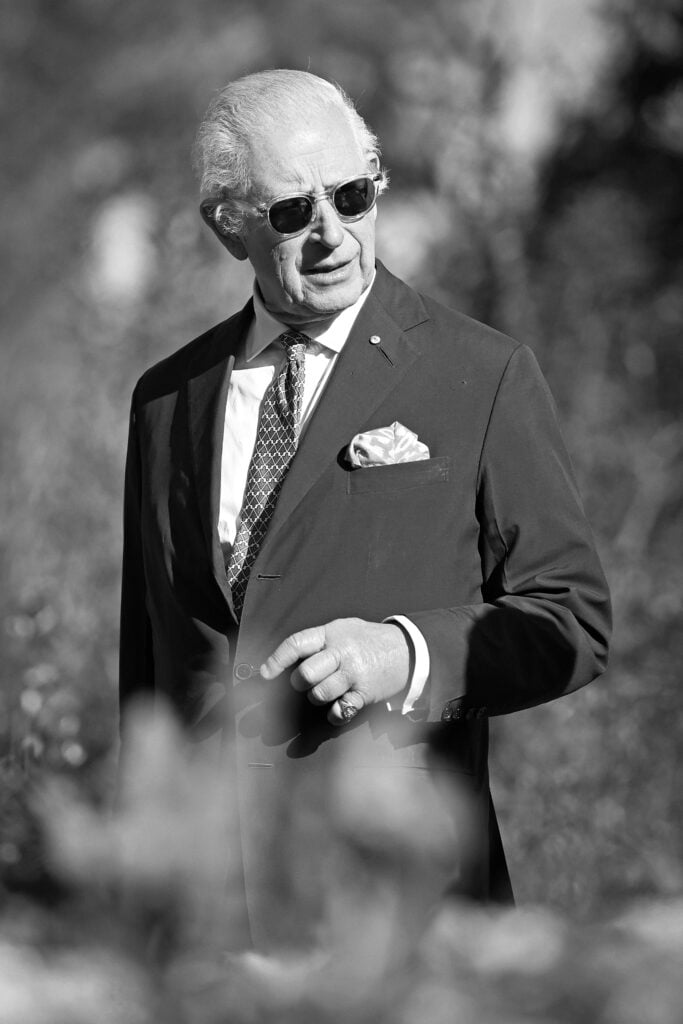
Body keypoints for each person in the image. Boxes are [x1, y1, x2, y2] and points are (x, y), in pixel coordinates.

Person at [119, 69, 611, 949]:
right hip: (208, 917)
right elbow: (150, 670)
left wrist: (404, 653)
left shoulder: (481, 374)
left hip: (395, 903)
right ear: (226, 225)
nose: (333, 235)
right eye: (291, 212)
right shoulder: (166, 400)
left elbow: (570, 619)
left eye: (352, 194)